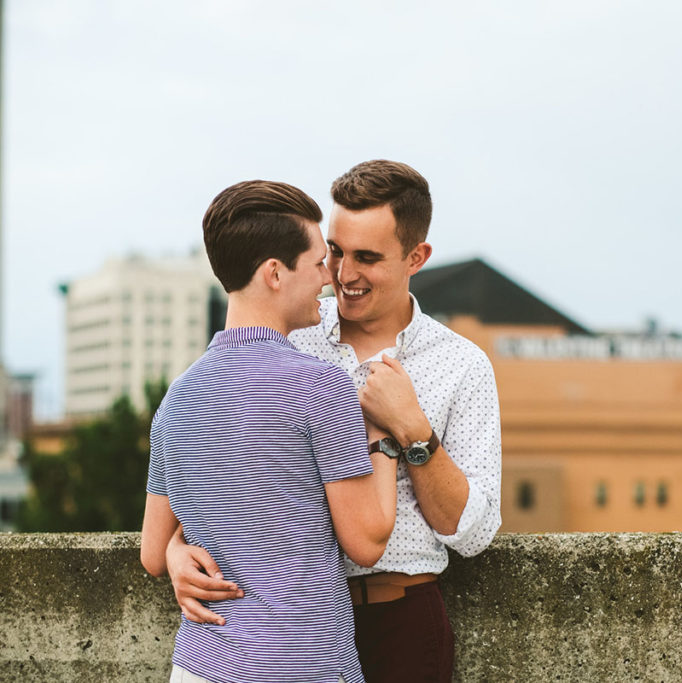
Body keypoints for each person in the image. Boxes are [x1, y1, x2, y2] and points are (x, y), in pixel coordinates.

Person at [165, 161, 502, 682]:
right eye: (337, 252)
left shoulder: (462, 365)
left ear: (418, 257)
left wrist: (413, 431)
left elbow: (475, 533)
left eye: (367, 257)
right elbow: (220, 463)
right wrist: (175, 549)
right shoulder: (285, 329)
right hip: (280, 626)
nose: (343, 276)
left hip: (401, 619)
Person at [141, 180, 398, 683]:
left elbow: (153, 552)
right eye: (320, 262)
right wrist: (383, 433)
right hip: (298, 660)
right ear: (275, 273)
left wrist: (177, 551)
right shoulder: (319, 385)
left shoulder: (178, 397)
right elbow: (366, 542)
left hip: (201, 663)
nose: (330, 279)